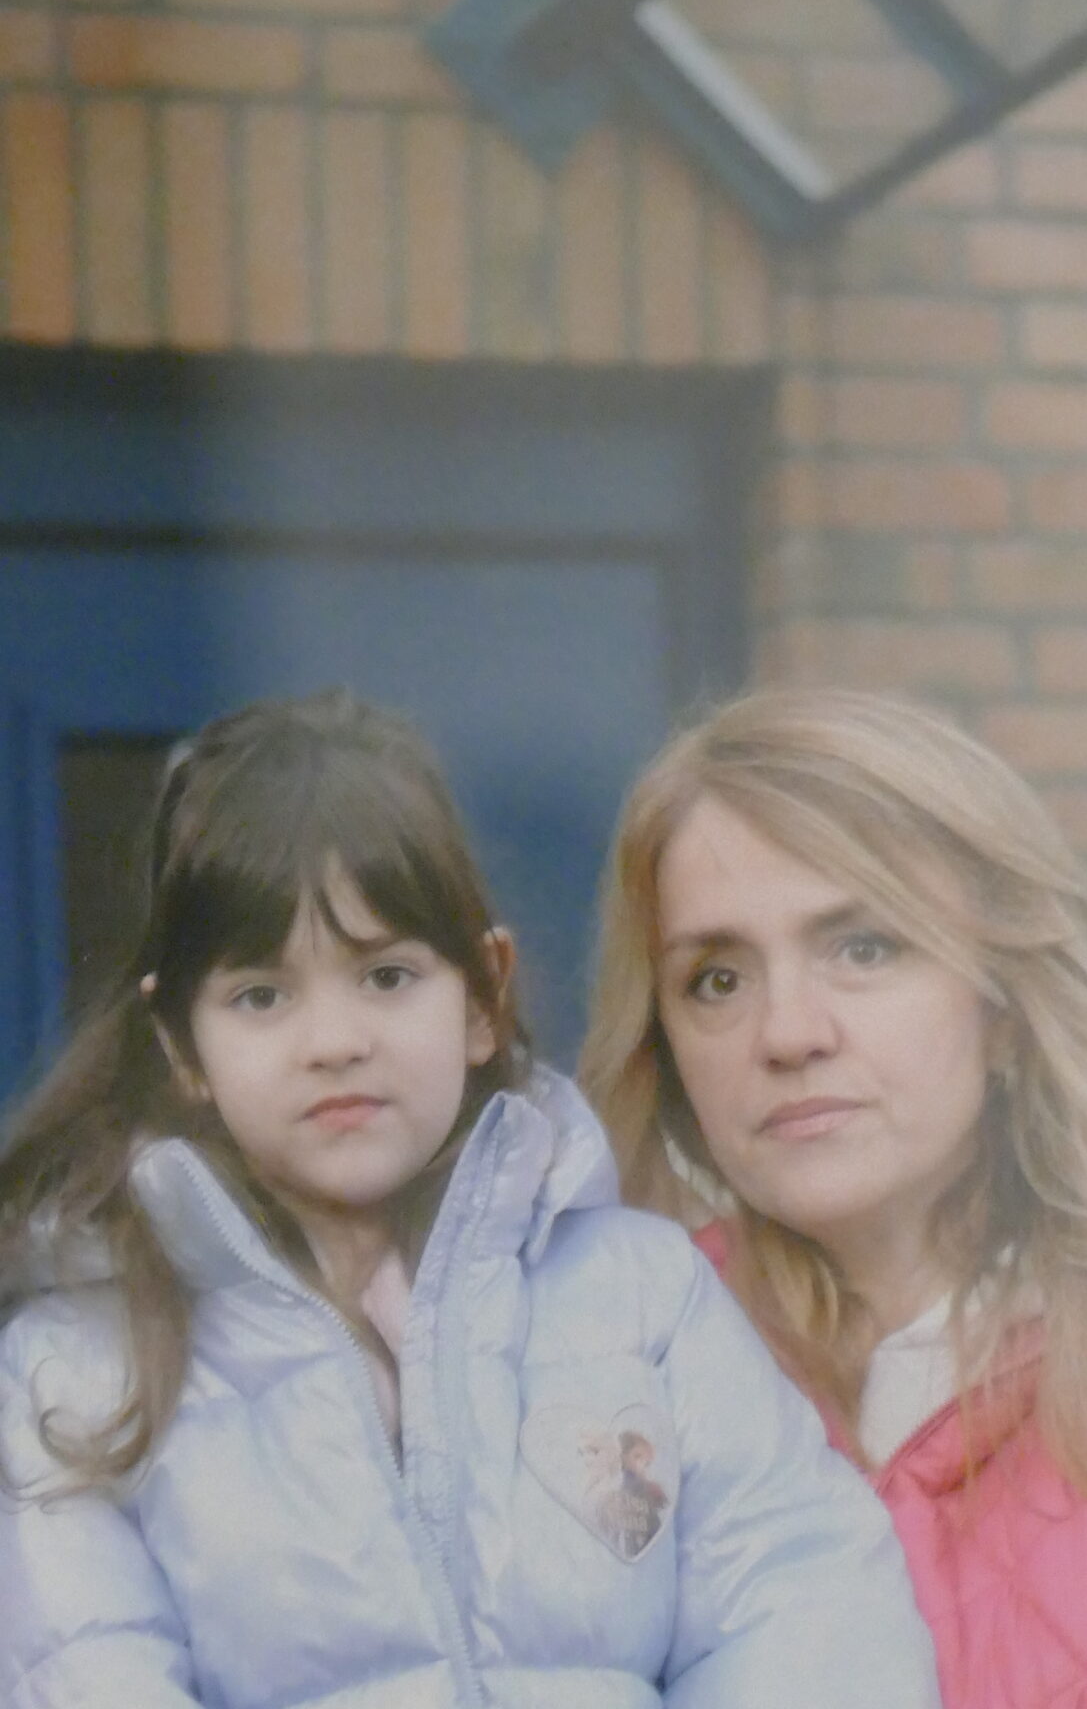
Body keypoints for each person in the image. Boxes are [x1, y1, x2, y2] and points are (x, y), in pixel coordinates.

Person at [0, 689, 939, 1709]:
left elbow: (806, 1611)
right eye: (261, 996)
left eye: (387, 977)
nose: (335, 1041)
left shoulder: (640, 1299)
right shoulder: (75, 1373)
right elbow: (83, 1672)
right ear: (183, 1044)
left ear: (485, 995)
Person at [580, 685, 1087, 1708]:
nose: (789, 1033)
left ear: (1005, 1005)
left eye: (863, 948)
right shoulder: (606, 1373)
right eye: (717, 979)